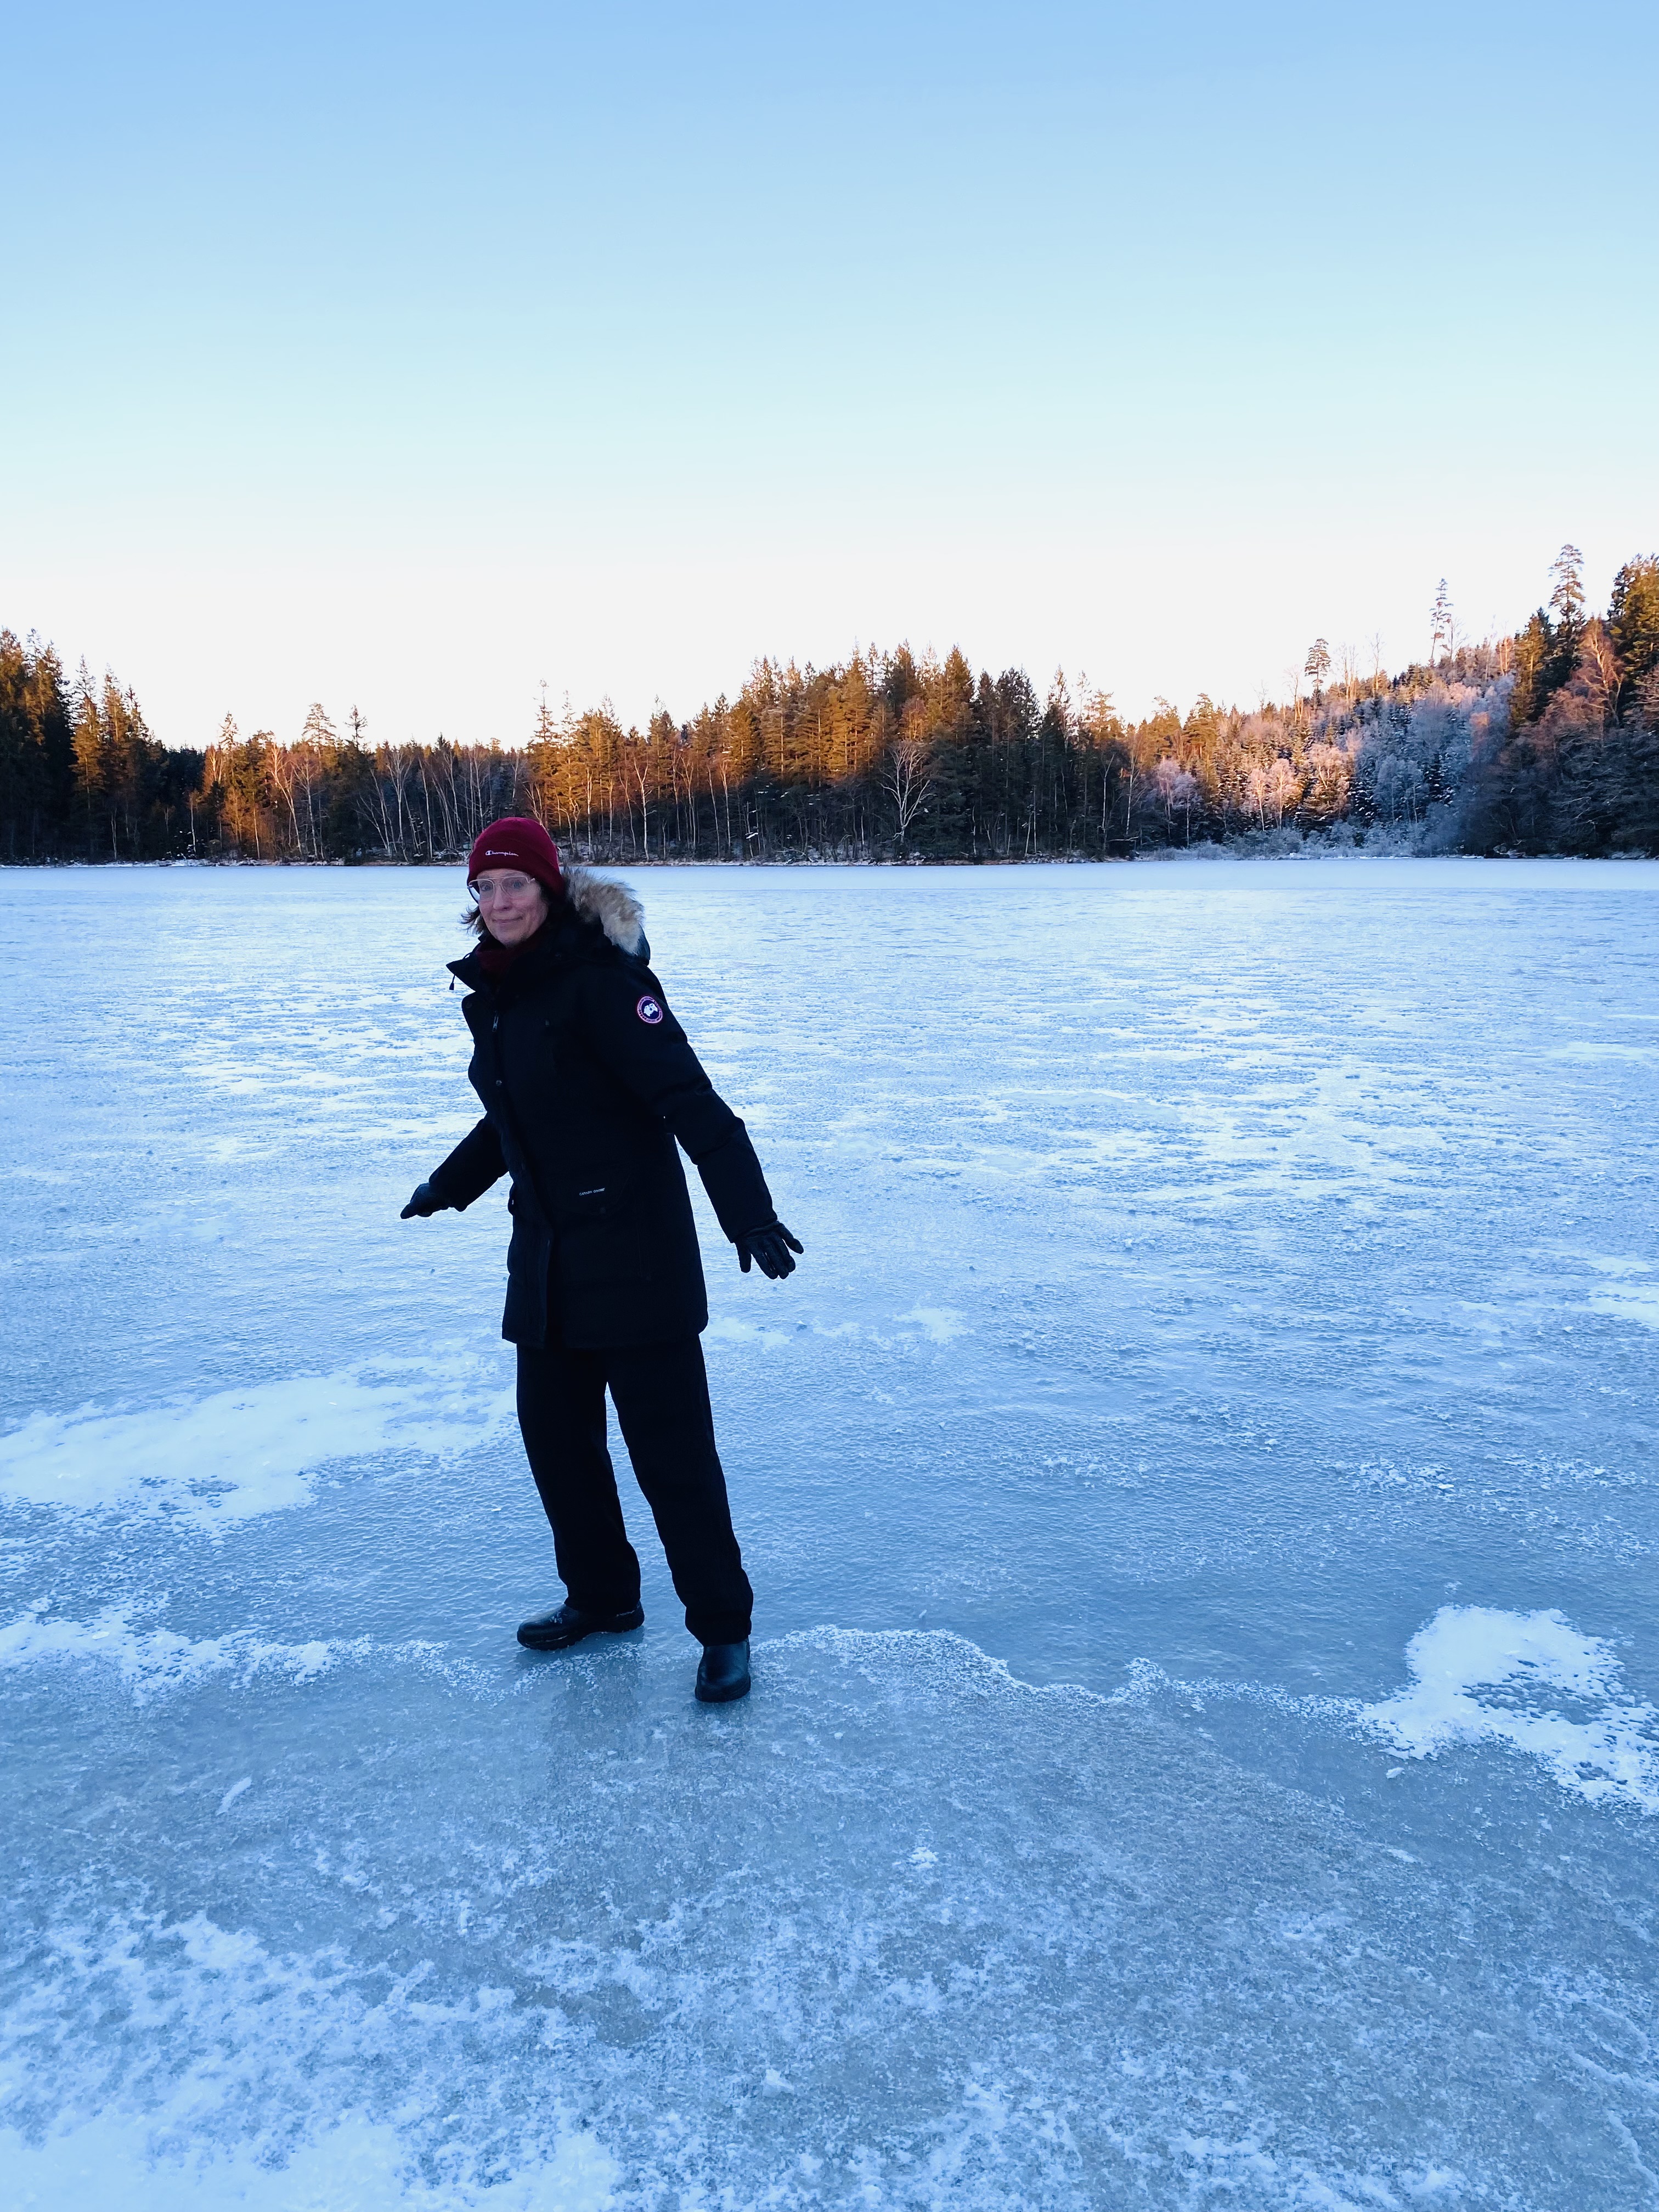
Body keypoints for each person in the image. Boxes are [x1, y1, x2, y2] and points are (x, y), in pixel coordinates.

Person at [400, 816, 801, 1704]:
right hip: (547, 1258)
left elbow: (691, 1102)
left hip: (637, 1260)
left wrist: (749, 1215)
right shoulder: (504, 988)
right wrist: (448, 1185)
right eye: (484, 888)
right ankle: (603, 1597)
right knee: (559, 1448)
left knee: (674, 1461)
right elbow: (515, 1114)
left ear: (549, 890)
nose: (499, 901)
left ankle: (724, 1630)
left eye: (515, 884)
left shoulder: (603, 984)